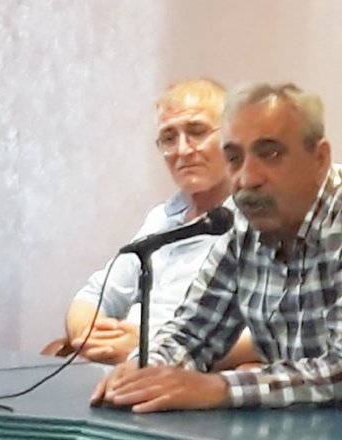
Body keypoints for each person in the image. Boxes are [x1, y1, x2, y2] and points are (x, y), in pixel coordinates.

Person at [90, 82, 342, 421]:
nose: (247, 178)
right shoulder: (242, 219)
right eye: (235, 158)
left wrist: (218, 387)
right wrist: (143, 371)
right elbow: (191, 333)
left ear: (319, 158)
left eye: (269, 154)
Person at [64, 79, 257, 368]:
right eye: (168, 138)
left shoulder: (258, 222)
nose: (182, 150)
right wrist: (90, 334)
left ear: (233, 138)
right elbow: (94, 296)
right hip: (117, 367)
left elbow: (269, 335)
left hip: (185, 374)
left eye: (197, 132)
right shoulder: (162, 219)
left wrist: (151, 350)